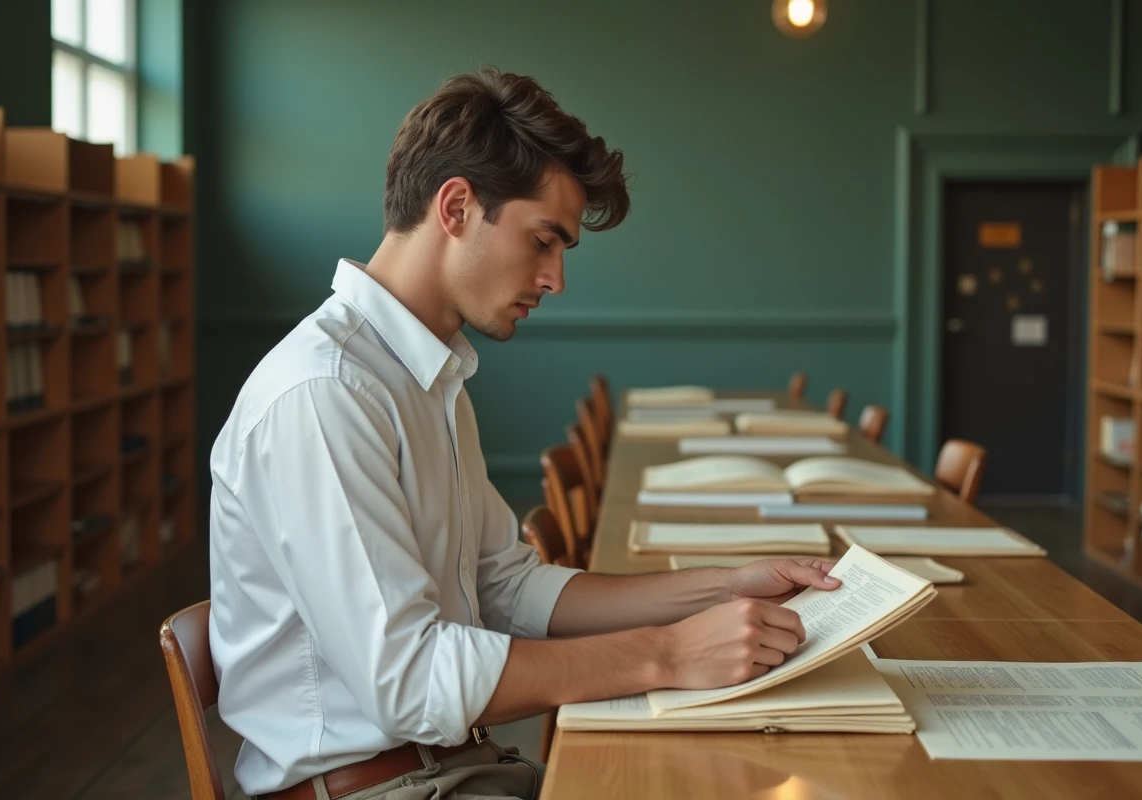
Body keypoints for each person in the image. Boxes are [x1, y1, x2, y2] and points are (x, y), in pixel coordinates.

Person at [207, 66, 842, 800]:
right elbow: (409, 683)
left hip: (454, 773)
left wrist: (722, 588)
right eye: (544, 241)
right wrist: (667, 655)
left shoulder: (427, 378)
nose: (556, 278)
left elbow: (508, 589)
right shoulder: (326, 393)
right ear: (455, 207)